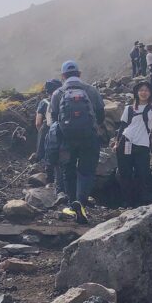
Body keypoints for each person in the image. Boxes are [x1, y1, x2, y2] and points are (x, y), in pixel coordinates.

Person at [49, 60, 105, 224]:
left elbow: (53, 118)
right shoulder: (91, 90)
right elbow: (101, 114)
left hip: (66, 138)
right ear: (79, 74)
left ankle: (72, 204)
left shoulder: (58, 92)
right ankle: (81, 202)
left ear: (63, 76)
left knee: (68, 170)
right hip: (89, 136)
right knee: (86, 171)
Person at [114, 80, 152, 207]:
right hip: (126, 141)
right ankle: (128, 201)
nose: (143, 92)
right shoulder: (129, 108)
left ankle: (144, 200)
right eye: (141, 90)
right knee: (125, 174)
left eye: (146, 90)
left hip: (143, 144)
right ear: (136, 92)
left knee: (143, 173)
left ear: (150, 93)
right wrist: (116, 142)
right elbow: (123, 127)